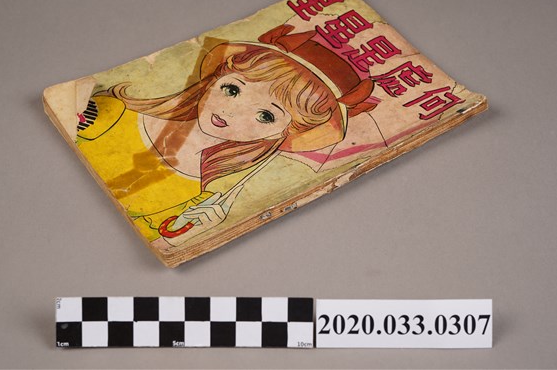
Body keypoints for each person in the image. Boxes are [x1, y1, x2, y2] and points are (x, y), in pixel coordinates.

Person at [75, 24, 379, 246]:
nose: (231, 111)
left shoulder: (195, 190)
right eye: (232, 89)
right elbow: (72, 114)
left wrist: (195, 228)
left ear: (284, 132)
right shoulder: (119, 115)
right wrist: (77, 102)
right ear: (213, 81)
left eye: (266, 115)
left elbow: (156, 234)